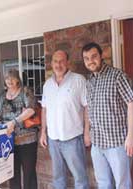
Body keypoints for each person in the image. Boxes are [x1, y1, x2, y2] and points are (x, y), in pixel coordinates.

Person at [82, 42, 133, 188]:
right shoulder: (89, 81)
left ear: (101, 56)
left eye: (93, 56)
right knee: (103, 183)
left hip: (117, 143)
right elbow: (89, 109)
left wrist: (131, 136)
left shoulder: (117, 76)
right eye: (86, 58)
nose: (90, 61)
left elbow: (131, 103)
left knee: (123, 184)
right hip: (97, 143)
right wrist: (87, 133)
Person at [40, 50, 89, 189]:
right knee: (58, 178)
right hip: (53, 139)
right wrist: (43, 132)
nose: (58, 64)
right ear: (51, 63)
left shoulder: (79, 80)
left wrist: (87, 133)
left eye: (61, 61)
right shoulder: (47, 85)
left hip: (73, 139)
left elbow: (87, 107)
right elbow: (44, 109)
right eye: (55, 61)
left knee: (80, 177)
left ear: (68, 62)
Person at [0, 69, 38, 189]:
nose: (10, 81)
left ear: (17, 79)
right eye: (7, 78)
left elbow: (31, 110)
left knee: (29, 173)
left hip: (27, 140)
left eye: (12, 78)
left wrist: (14, 122)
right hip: (9, 140)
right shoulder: (3, 95)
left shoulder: (25, 91)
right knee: (12, 173)